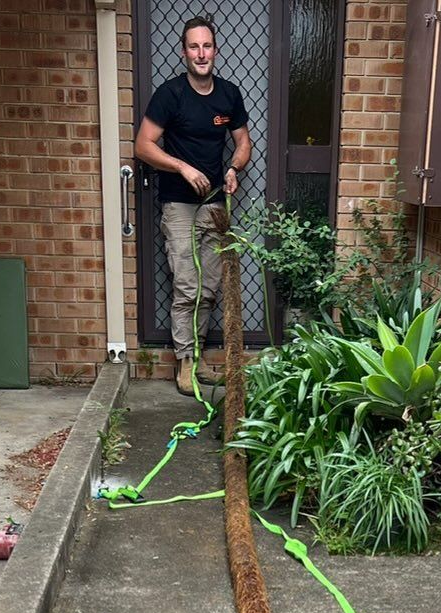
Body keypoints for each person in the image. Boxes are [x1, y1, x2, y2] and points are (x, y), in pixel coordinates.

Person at [134, 16, 252, 394]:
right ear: (184, 52)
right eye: (193, 47)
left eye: (207, 46)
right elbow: (143, 145)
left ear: (215, 50)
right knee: (187, 286)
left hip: (215, 201)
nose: (201, 53)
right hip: (179, 203)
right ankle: (184, 365)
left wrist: (234, 168)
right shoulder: (171, 95)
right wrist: (182, 167)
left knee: (210, 286)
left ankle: (197, 359)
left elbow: (243, 142)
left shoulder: (229, 94)